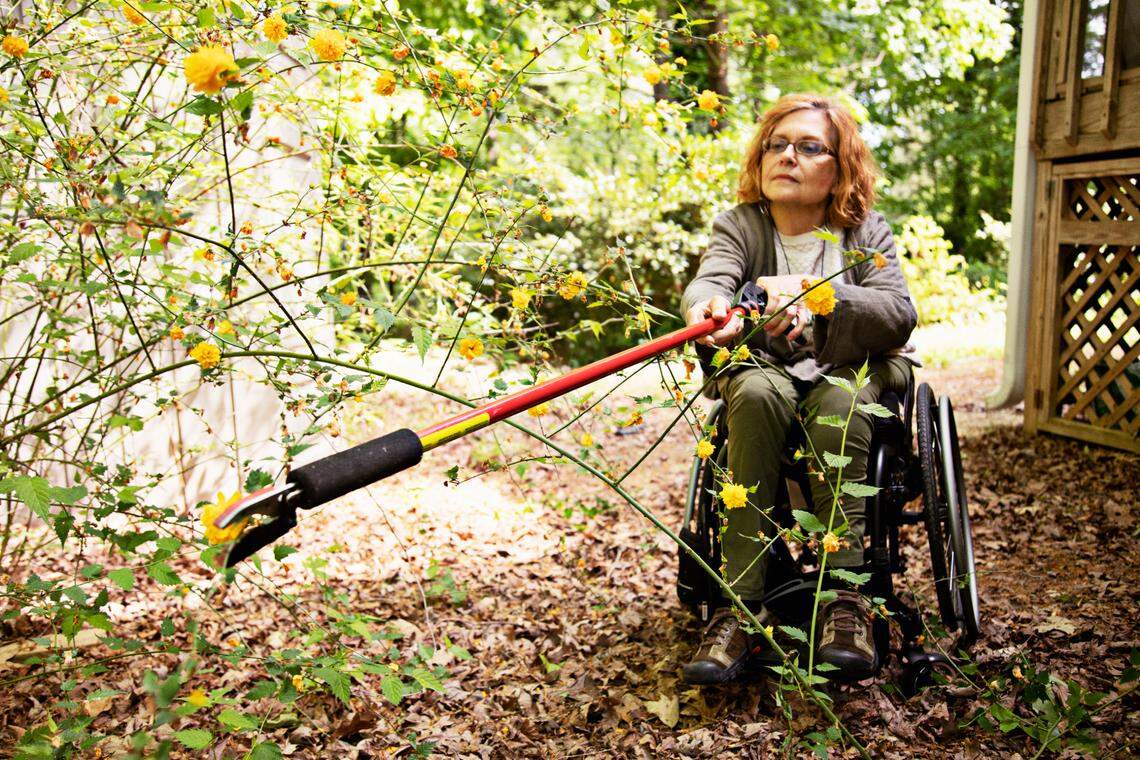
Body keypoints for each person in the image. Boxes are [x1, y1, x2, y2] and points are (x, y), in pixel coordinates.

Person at [679, 93, 917, 684]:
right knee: (755, 394)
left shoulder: (866, 232)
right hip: (766, 371)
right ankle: (741, 604)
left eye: (809, 146)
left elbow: (897, 312)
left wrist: (820, 297)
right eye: (776, 145)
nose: (788, 156)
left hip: (855, 373)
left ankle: (846, 599)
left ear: (841, 165)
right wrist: (710, 309)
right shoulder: (739, 226)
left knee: (840, 400)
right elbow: (710, 280)